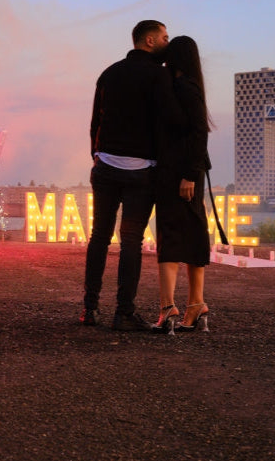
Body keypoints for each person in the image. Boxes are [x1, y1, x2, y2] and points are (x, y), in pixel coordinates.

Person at [82, 20, 182, 331]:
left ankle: (89, 309)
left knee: (99, 236)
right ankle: (123, 312)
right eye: (164, 37)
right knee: (130, 241)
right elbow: (170, 120)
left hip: (106, 166)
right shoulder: (159, 75)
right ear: (150, 41)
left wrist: (97, 154)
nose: (168, 42)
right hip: (140, 171)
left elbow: (95, 122)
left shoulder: (109, 73)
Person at [153, 36, 214, 334]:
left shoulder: (182, 87)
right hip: (188, 171)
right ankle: (195, 304)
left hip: (179, 172)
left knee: (171, 234)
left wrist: (189, 174)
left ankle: (169, 307)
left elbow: (200, 131)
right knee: (192, 232)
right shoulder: (189, 85)